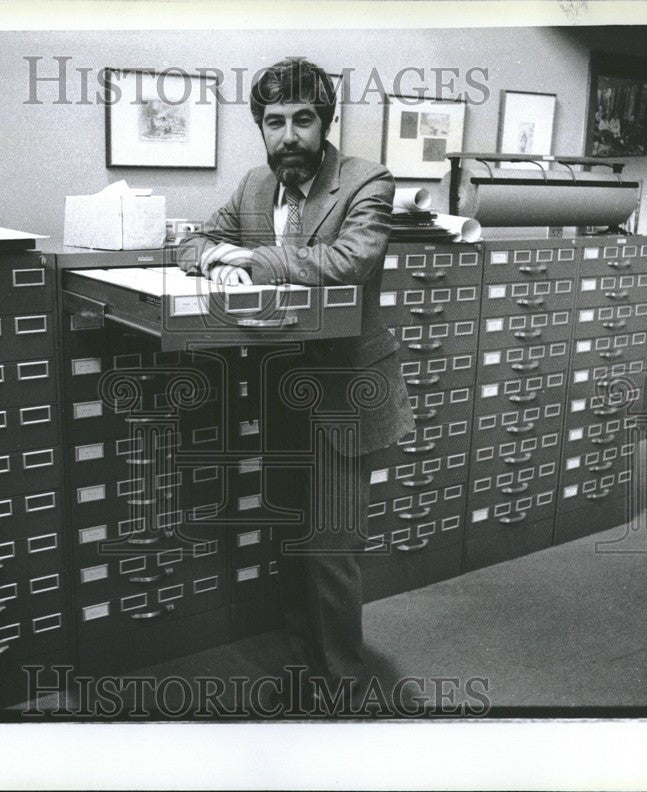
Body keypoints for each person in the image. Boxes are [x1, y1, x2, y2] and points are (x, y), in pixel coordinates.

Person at [177, 57, 415, 715]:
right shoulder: (256, 187)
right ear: (260, 127)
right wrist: (209, 257)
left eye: (302, 120)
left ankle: (347, 688)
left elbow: (351, 262)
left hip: (344, 393)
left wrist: (251, 258)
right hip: (282, 390)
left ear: (324, 123)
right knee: (288, 533)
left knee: (332, 549)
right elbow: (197, 241)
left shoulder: (367, 181)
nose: (289, 136)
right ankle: (303, 663)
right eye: (275, 121)